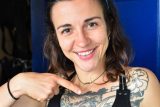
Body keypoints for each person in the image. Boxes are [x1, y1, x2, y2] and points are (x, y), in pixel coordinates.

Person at [0, 0, 160, 107]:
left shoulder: (140, 82)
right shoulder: (47, 90)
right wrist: (16, 85)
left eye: (91, 24)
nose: (82, 41)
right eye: (67, 30)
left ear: (109, 27)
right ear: (56, 38)